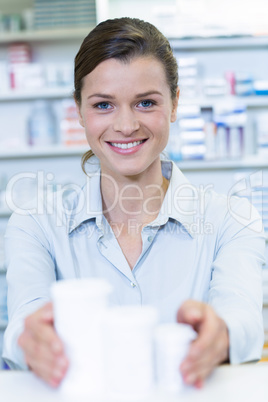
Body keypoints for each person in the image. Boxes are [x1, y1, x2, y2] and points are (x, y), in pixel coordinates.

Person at [2, 17, 265, 390]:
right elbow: (23, 324)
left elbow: (243, 318)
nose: (126, 125)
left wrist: (220, 334)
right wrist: (32, 342)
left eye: (145, 102)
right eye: (103, 105)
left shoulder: (232, 220)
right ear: (79, 110)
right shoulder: (37, 225)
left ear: (174, 104)